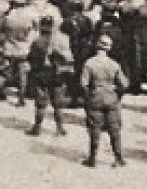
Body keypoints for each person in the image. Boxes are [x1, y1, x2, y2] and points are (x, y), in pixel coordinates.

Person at [79, 35, 129, 168]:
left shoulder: (89, 63)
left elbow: (83, 84)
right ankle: (118, 158)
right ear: (109, 48)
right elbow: (124, 84)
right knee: (114, 129)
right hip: (111, 97)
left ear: (97, 45)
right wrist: (118, 95)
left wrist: (88, 98)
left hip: (95, 97)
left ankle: (92, 158)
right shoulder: (114, 64)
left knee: (94, 129)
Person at [25, 14, 72, 137]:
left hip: (42, 74)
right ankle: (60, 128)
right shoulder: (64, 39)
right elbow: (69, 58)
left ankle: (37, 128)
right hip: (58, 74)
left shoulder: (37, 41)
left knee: (41, 104)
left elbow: (31, 58)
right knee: (58, 104)